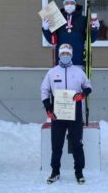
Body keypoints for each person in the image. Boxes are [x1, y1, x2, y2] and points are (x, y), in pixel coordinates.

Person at [40, 43, 92, 185]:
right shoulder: (52, 72)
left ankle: (79, 172)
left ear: (71, 55)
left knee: (77, 144)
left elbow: (88, 86)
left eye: (67, 54)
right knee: (56, 145)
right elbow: (44, 90)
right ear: (59, 55)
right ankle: (55, 171)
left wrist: (83, 95)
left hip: (75, 112)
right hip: (58, 113)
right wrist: (48, 108)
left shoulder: (79, 71)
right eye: (63, 54)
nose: (65, 56)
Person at [42, 0, 100, 67]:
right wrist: (46, 29)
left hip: (78, 61)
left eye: (72, 3)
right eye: (67, 3)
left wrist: (95, 29)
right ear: (64, 5)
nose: (69, 5)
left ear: (75, 5)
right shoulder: (56, 19)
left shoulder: (84, 19)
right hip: (61, 61)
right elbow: (51, 40)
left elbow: (91, 40)